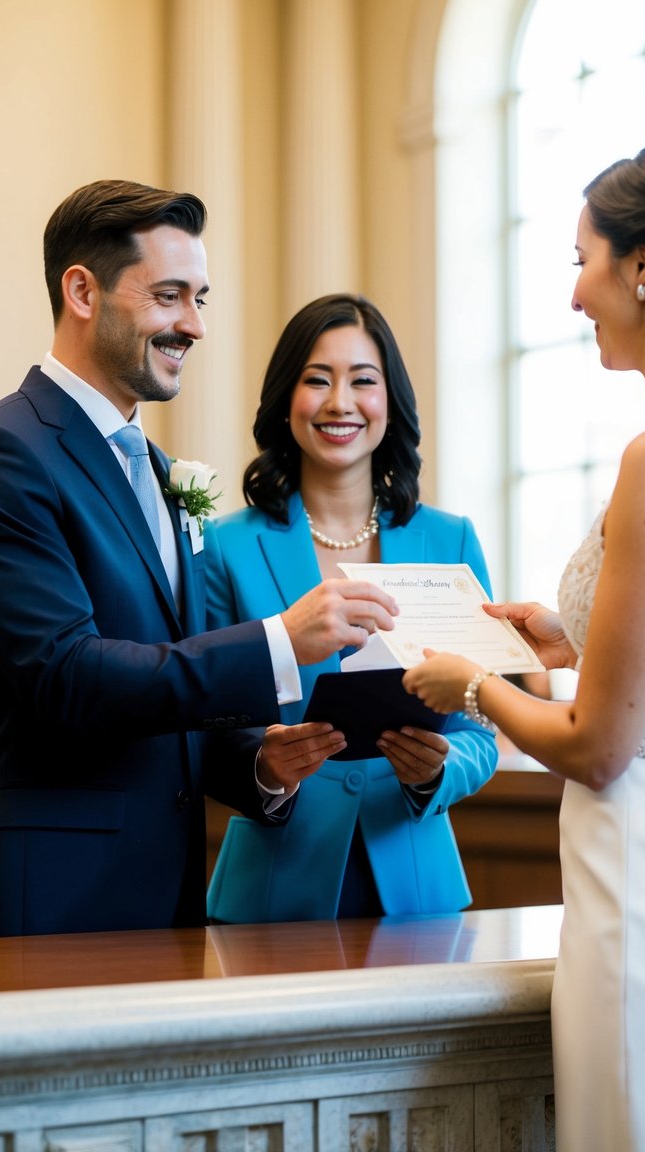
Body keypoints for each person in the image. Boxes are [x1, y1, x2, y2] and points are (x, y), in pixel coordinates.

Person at [0, 181, 398, 942]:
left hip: (162, 902)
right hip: (39, 901)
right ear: (82, 290)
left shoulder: (161, 470)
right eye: (170, 296)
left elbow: (166, 690)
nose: (194, 326)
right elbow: (66, 678)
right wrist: (278, 639)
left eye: (200, 298)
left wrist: (259, 768)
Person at [403, 134, 645, 1152]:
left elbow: (598, 746)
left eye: (582, 260)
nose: (574, 296)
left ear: (643, 265)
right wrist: (562, 633)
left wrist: (469, 686)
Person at [204, 293, 498, 922]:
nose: (340, 402)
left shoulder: (451, 542)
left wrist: (436, 771)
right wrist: (265, 767)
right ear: (287, 400)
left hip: (418, 888)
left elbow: (481, 728)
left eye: (363, 381)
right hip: (272, 888)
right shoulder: (223, 548)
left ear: (389, 403)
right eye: (317, 380)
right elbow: (200, 722)